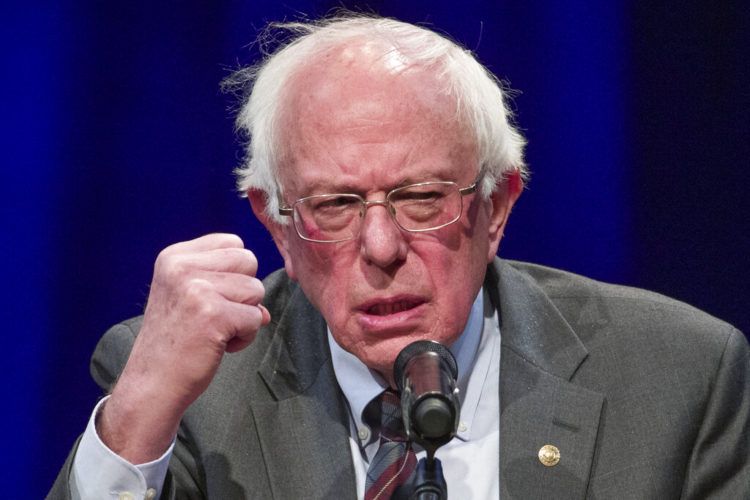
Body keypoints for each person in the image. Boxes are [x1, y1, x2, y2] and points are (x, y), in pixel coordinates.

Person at [49, 14, 748, 500]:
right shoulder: (195, 396)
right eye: (335, 206)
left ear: (496, 206)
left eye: (419, 198)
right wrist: (139, 414)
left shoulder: (678, 377)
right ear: (278, 226)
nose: (380, 249)